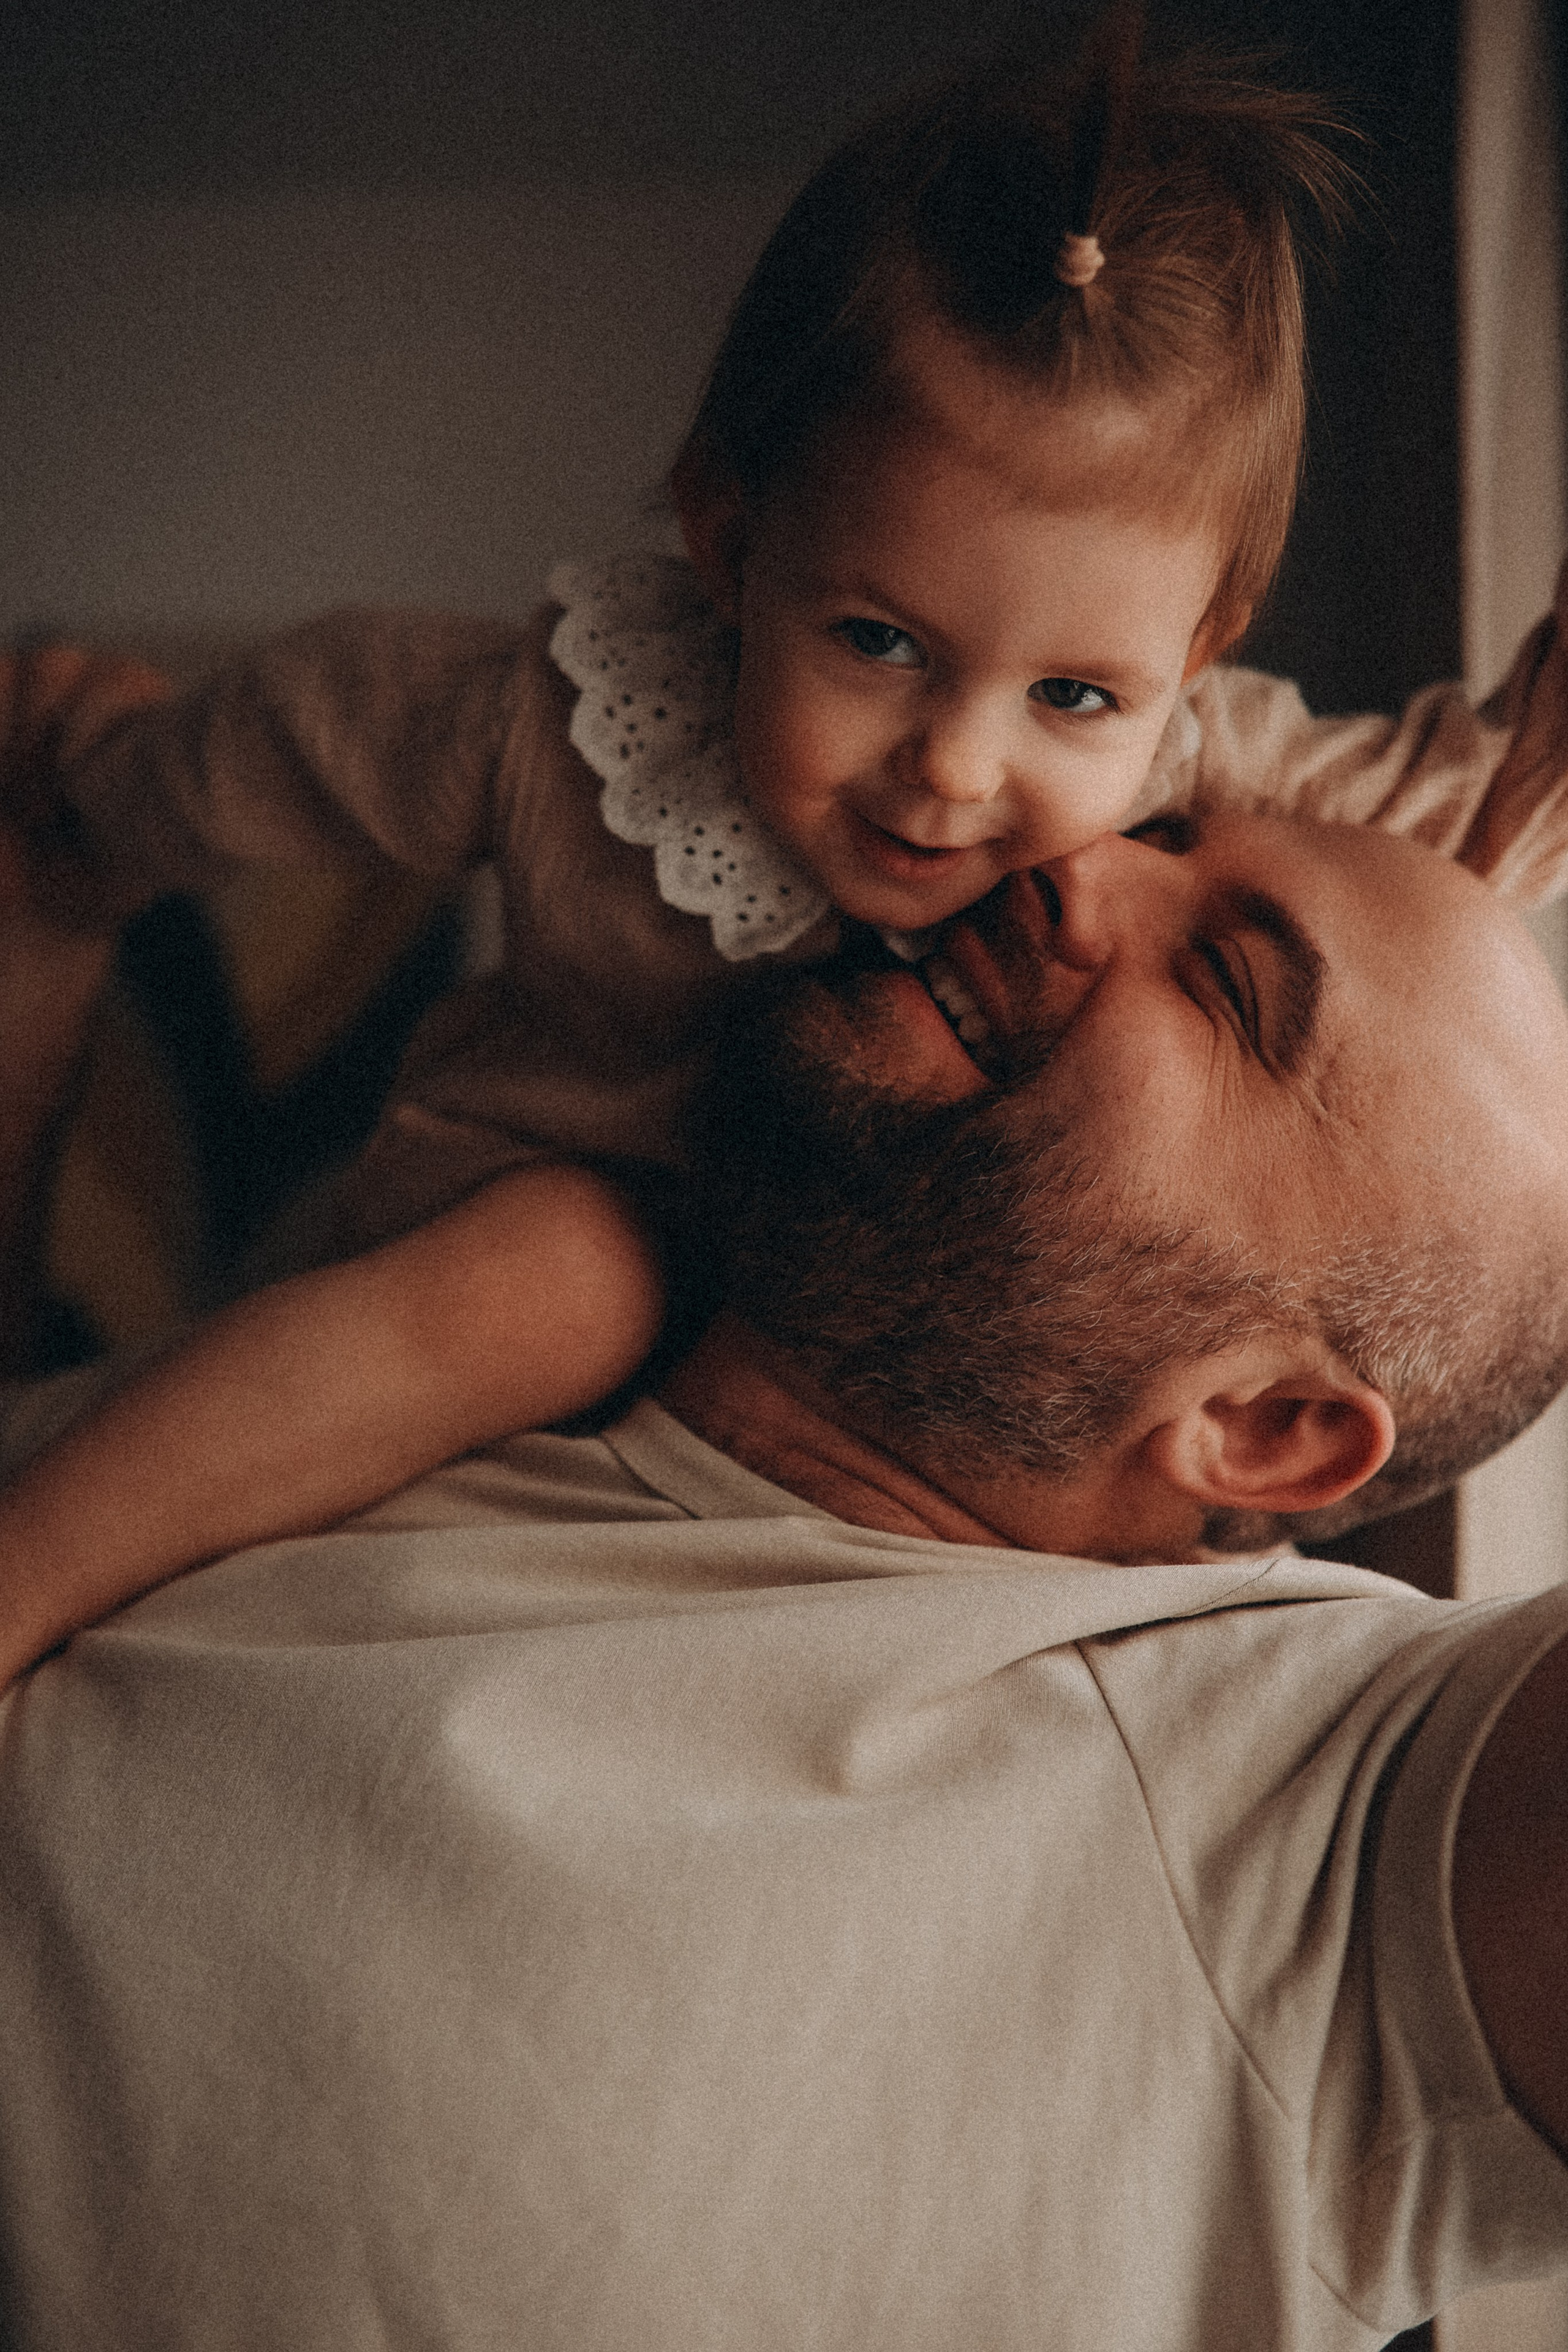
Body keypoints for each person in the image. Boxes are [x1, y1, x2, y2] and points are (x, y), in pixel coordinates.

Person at [4, 31, 1568, 1689]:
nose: (963, 772)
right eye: (881, 641)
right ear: (732, 542)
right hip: (520, 1221)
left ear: (1195, 649)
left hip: (824, 1295)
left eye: (1072, 693)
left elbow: (1461, 809)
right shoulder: (569, 723)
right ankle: (30, 1572)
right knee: (574, 1269)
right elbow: (292, 742)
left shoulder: (1186, 776)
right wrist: (93, 801)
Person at [4, 808, 1568, 2350]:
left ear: (1261, 1431)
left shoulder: (1322, 1834)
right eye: (1161, 825)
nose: (1071, 861)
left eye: (1226, 986)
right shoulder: (462, 1313)